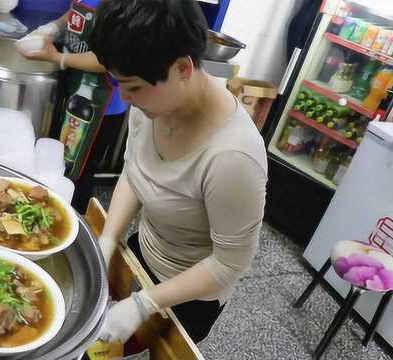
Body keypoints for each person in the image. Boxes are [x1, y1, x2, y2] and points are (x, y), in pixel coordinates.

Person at [88, 0, 268, 344]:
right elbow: (136, 172)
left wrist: (144, 304)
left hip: (189, 295)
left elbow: (229, 266)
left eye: (133, 87)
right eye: (120, 84)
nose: (125, 99)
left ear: (183, 68)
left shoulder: (234, 158)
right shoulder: (155, 99)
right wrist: (108, 240)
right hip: (142, 251)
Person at [18, 0, 129, 213]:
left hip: (101, 107)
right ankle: (50, 215)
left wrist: (58, 57)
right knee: (61, 163)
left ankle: (75, 223)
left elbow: (105, 60)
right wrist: (53, 27)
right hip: (75, 90)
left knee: (80, 172)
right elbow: (76, 13)